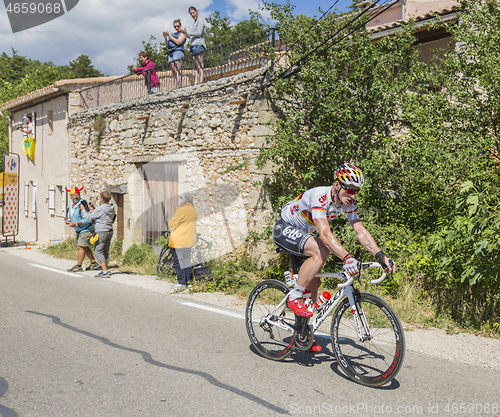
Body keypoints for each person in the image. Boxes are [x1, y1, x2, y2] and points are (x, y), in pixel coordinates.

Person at [273, 163, 396, 352]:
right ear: (337, 185)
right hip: (285, 229)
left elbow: (360, 231)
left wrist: (380, 256)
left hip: (304, 235)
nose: (353, 196)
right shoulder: (320, 197)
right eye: (350, 191)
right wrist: (347, 257)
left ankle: (302, 332)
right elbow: (324, 233)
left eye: (356, 192)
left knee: (314, 283)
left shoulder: (348, 202)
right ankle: (294, 297)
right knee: (322, 250)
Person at [80, 190, 116, 278]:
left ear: (101, 199)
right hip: (109, 230)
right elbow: (102, 215)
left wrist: (83, 210)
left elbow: (88, 217)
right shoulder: (111, 207)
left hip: (101, 231)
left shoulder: (100, 209)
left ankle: (104, 272)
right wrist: (94, 211)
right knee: (105, 250)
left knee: (98, 250)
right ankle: (105, 269)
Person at [65, 186, 101, 273]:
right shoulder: (71, 205)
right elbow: (70, 215)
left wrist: (76, 223)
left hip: (86, 228)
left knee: (80, 246)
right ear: (71, 196)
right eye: (74, 195)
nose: (75, 197)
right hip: (79, 229)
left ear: (79, 195)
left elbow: (88, 218)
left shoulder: (83, 204)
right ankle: (93, 263)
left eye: (77, 195)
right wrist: (69, 220)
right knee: (84, 246)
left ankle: (79, 266)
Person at [168, 193, 198, 290]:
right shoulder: (193, 210)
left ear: (184, 200)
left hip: (179, 240)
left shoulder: (182, 210)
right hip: (189, 240)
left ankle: (181, 282)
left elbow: (172, 224)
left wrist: (178, 209)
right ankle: (189, 282)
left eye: (180, 199)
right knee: (186, 260)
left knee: (178, 261)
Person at [180, 7, 206, 85]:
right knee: (195, 66)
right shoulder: (194, 23)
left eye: (193, 13)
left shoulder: (200, 21)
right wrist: (185, 33)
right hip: (192, 46)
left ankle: (200, 81)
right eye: (191, 13)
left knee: (200, 65)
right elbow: (191, 36)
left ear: (196, 12)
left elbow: (198, 33)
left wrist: (188, 32)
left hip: (199, 45)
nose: (192, 15)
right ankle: (196, 81)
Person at [163, 19, 187, 89]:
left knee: (177, 70)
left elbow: (178, 42)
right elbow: (167, 45)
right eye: (175, 26)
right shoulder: (173, 34)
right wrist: (165, 37)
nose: (176, 28)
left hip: (178, 51)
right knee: (173, 71)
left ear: (180, 25)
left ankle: (178, 85)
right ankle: (175, 85)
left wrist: (169, 36)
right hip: (171, 53)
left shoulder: (182, 33)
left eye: (178, 26)